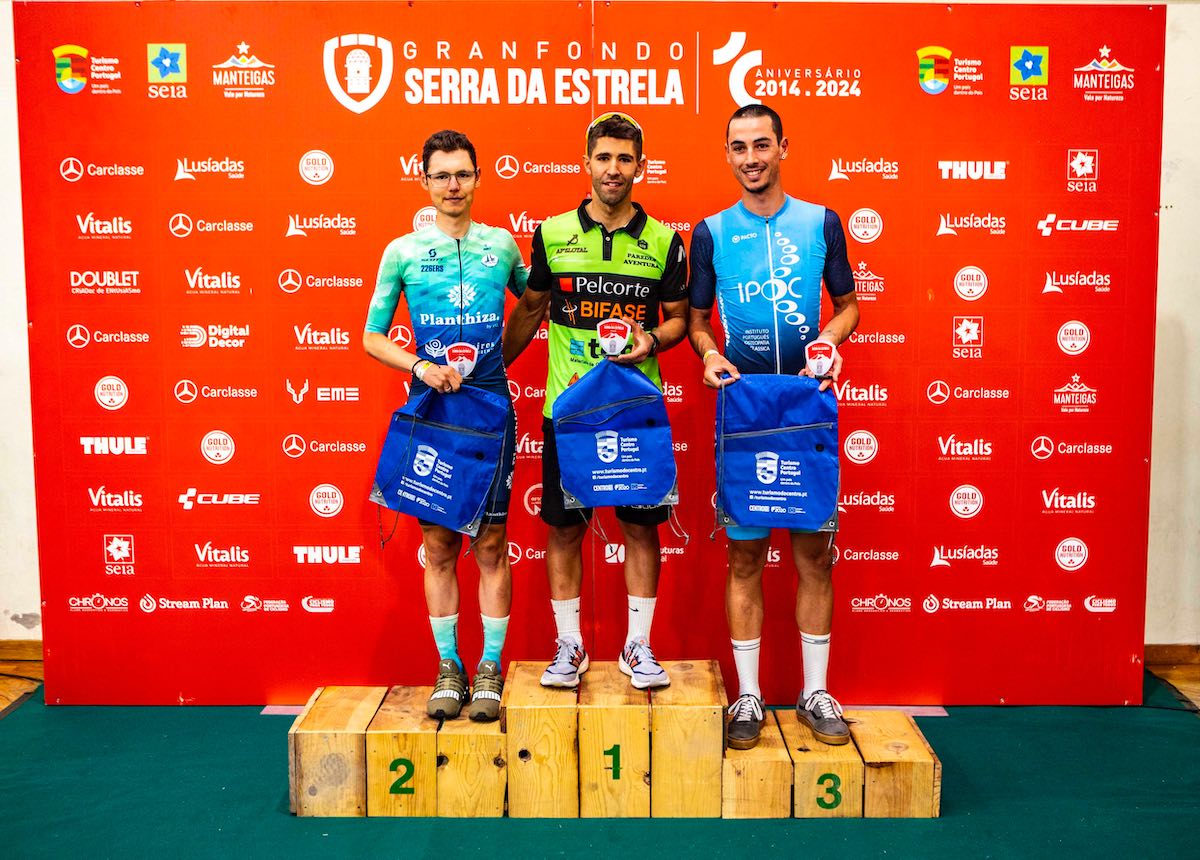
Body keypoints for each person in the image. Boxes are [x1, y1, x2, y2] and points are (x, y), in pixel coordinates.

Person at [687, 104, 860, 748]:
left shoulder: (821, 221)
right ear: (727, 154)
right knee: (745, 557)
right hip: (745, 407)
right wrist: (709, 353)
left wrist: (829, 341)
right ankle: (749, 696)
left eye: (762, 144)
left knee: (814, 554)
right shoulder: (709, 232)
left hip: (807, 402)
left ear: (783, 147)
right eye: (739, 147)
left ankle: (815, 691)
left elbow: (848, 307)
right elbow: (697, 322)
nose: (751, 157)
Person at [503, 113, 689, 690]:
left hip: (635, 412)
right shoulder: (552, 233)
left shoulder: (665, 241)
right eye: (603, 157)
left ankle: (639, 647)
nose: (613, 169)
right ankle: (570, 646)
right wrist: (491, 369)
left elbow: (680, 320)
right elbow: (532, 307)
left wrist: (651, 339)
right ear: (586, 163)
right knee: (565, 530)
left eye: (624, 158)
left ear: (640, 166)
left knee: (640, 530)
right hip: (569, 412)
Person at [363, 130, 527, 722]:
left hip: (490, 408)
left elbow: (536, 304)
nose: (453, 186)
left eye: (462, 174)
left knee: (491, 543)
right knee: (438, 545)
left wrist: (504, 355)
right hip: (431, 410)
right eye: (441, 175)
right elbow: (372, 336)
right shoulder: (402, 252)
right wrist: (420, 366)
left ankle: (490, 667)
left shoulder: (502, 245)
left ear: (478, 178)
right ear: (424, 181)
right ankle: (449, 666)